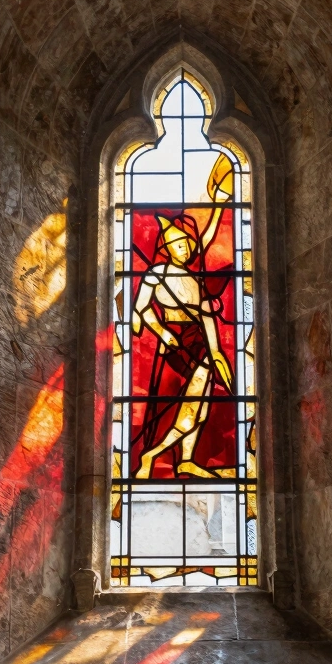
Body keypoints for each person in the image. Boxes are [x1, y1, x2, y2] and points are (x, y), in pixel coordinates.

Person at [130, 155, 235, 479]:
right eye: (177, 244)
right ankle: (151, 456)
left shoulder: (194, 274)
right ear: (166, 246)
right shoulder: (157, 274)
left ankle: (186, 459)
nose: (185, 249)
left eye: (187, 244)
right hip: (176, 339)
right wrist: (161, 332)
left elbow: (208, 235)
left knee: (199, 407)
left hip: (199, 338)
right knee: (188, 405)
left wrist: (219, 204)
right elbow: (140, 309)